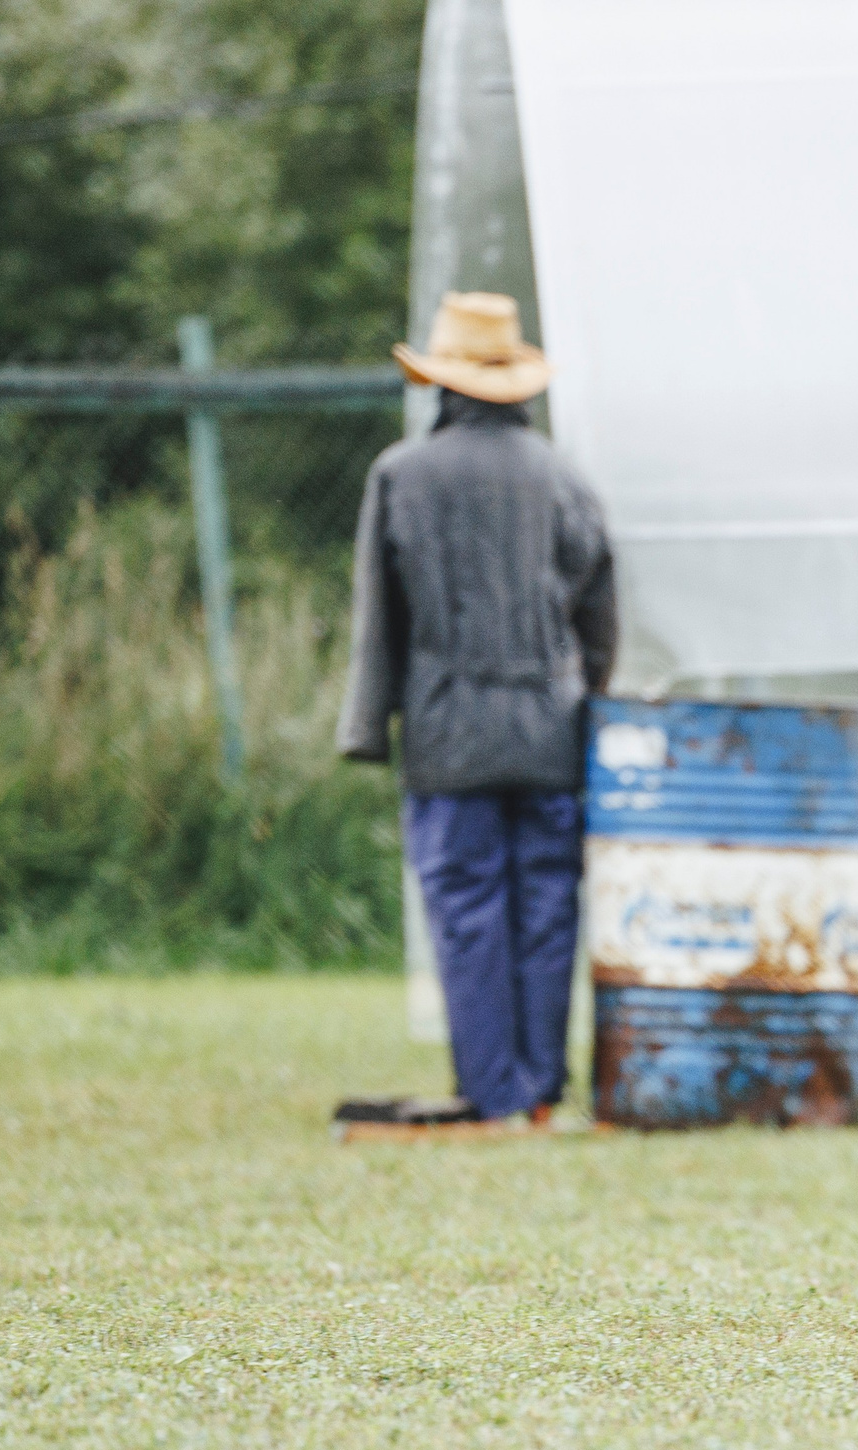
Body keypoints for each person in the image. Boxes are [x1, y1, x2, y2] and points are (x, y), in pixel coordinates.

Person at [333, 292, 615, 1137]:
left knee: (466, 911)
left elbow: (379, 615)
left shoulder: (401, 474)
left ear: (441, 386)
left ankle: (490, 1092)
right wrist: (588, 702)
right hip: (550, 731)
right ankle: (535, 1093)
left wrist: (366, 724)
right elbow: (599, 611)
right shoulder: (562, 474)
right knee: (546, 907)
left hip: (446, 731)